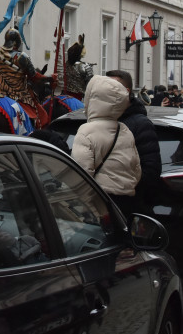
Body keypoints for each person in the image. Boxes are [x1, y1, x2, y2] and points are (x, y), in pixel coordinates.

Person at [71, 75, 141, 217]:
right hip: (126, 202)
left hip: (100, 202)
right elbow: (136, 169)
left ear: (93, 100)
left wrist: (87, 206)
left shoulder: (86, 131)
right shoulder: (124, 130)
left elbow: (81, 174)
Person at [107, 70, 161, 195]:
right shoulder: (95, 120)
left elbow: (150, 171)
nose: (104, 91)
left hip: (125, 200)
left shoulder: (140, 124)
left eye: (111, 87)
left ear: (125, 91)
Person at [0, 27, 47, 128]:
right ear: (17, 42)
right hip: (17, 95)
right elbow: (35, 77)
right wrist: (50, 78)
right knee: (40, 116)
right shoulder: (21, 57)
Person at [63, 34, 93, 100]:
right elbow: (90, 85)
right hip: (78, 97)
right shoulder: (85, 66)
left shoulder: (65, 65)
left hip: (64, 94)